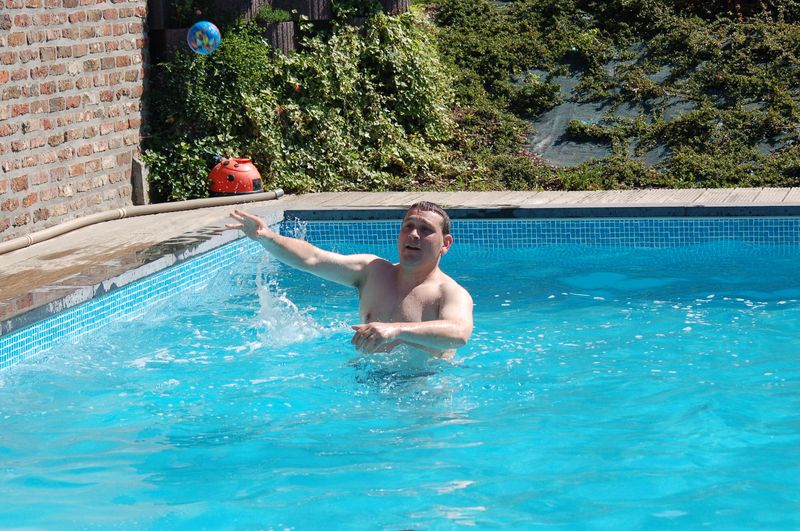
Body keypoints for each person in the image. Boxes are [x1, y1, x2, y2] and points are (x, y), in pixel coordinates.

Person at [228, 201, 473, 359]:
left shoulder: (450, 293)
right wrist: (267, 237)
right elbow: (312, 258)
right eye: (408, 226)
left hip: (424, 389)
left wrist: (396, 329)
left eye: (426, 229)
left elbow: (459, 332)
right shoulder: (372, 271)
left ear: (446, 244)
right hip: (365, 379)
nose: (414, 234)